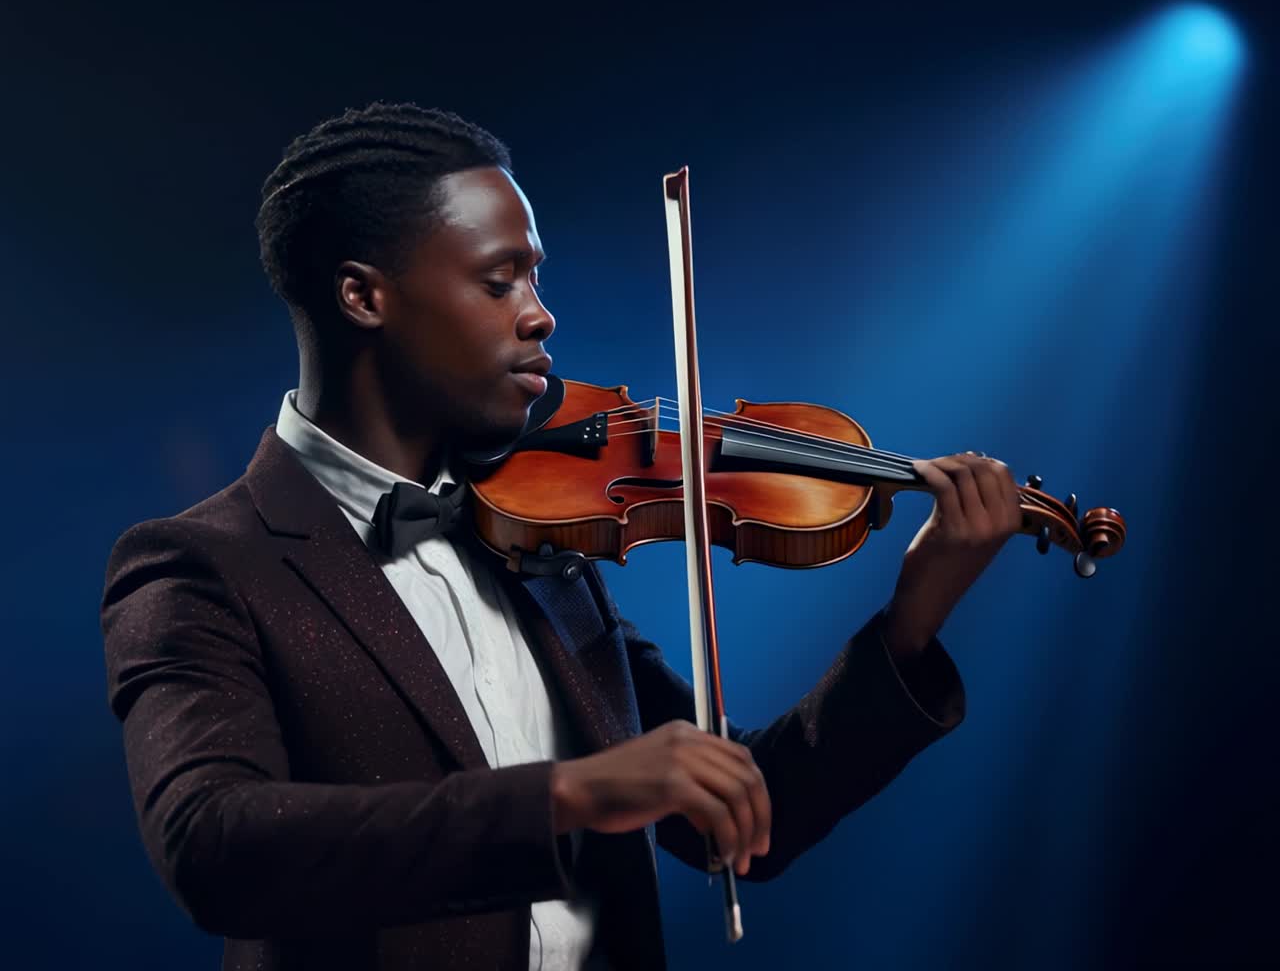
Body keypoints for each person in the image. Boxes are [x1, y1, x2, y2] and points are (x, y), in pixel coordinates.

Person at [101, 102, 1024, 971]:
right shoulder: (201, 565)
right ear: (363, 296)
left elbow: (749, 809)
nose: (540, 313)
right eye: (498, 280)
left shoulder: (538, 543)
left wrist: (912, 622)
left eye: (534, 277)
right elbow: (216, 846)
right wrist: (570, 794)